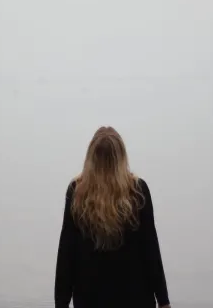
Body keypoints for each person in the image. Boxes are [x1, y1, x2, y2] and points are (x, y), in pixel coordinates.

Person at [54, 126, 171, 308]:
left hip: (89, 299)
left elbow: (66, 256)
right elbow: (151, 251)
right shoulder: (138, 191)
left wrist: (61, 303)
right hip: (136, 298)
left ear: (91, 157)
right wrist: (164, 301)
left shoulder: (77, 193)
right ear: (122, 157)